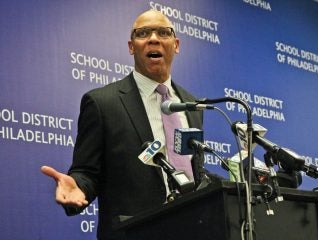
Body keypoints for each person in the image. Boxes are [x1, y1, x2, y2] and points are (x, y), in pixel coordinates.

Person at [41, 9, 204, 240]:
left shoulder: (191, 104)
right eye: (143, 33)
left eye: (163, 33)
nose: (154, 38)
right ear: (131, 47)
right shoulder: (102, 103)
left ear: (176, 45)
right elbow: (87, 172)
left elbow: (194, 169)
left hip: (193, 230)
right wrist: (77, 185)